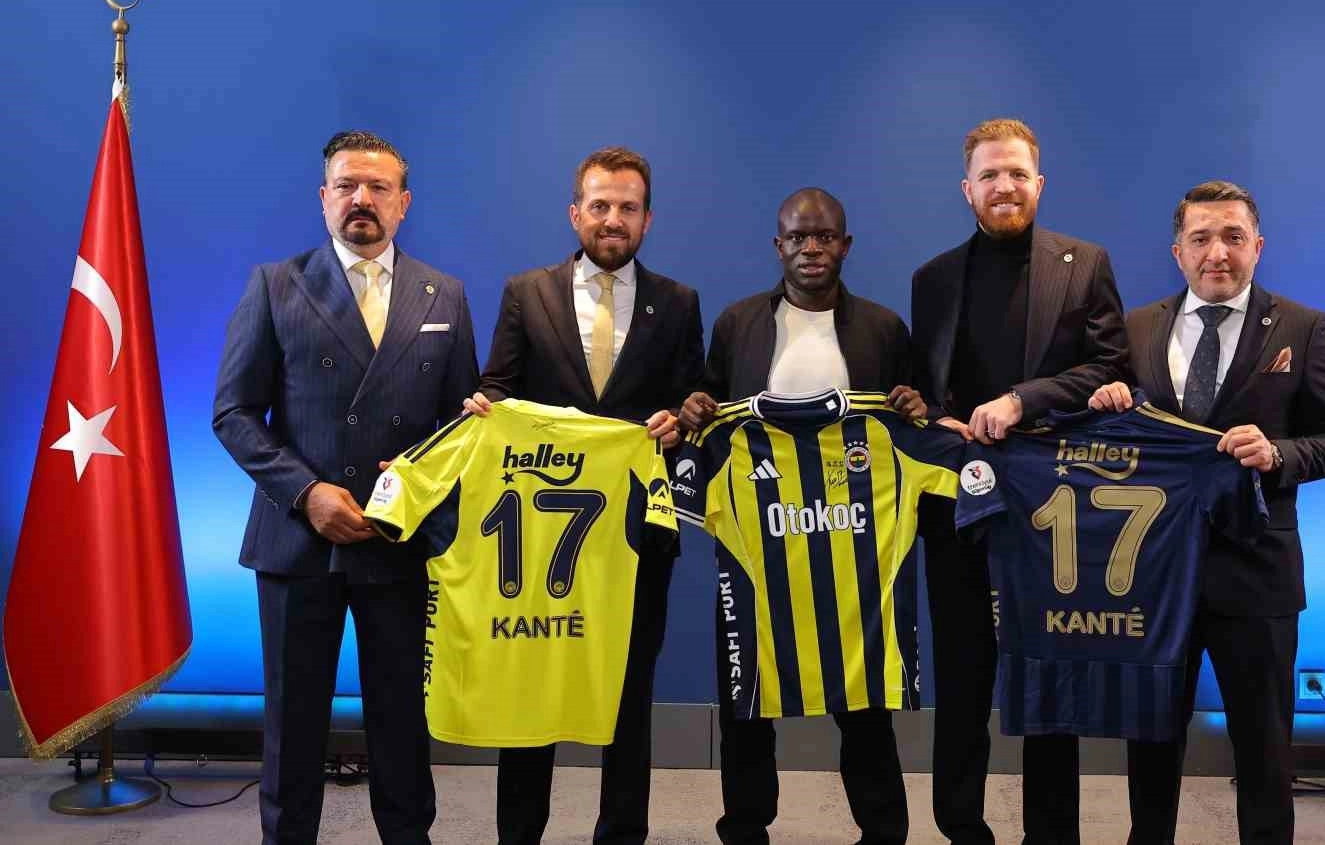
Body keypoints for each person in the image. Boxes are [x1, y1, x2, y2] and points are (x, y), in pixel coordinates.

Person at [214, 131, 479, 845]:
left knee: (402, 717)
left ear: (404, 203)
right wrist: (308, 493)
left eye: (378, 187)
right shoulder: (276, 284)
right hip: (298, 541)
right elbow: (233, 412)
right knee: (293, 718)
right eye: (347, 186)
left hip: (399, 541)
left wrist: (425, 490)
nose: (362, 198)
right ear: (324, 197)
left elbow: (460, 427)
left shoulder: (446, 294)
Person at [1089, 180, 1325, 845]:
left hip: (1257, 574)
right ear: (1177, 252)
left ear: (1257, 246)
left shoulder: (1302, 327)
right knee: (1151, 742)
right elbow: (1117, 442)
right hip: (1155, 576)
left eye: (1233, 237)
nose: (1218, 253)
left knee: (1264, 749)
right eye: (1201, 238)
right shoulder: (1136, 328)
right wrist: (1105, 406)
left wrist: (1279, 453)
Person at [465, 146, 704, 845]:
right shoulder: (526, 292)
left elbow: (692, 398)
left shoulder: (679, 302)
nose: (613, 219)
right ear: (576, 213)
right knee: (532, 688)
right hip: (542, 538)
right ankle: (519, 834)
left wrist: (680, 420)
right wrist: (486, 410)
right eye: (600, 205)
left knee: (628, 691)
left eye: (628, 207)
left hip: (635, 531)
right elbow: (499, 386)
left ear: (648, 219)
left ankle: (622, 832)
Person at [677, 187, 926, 845]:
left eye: (824, 237)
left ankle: (884, 831)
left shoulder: (883, 328)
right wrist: (696, 405)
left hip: (853, 549)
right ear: (778, 245)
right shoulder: (737, 324)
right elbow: (708, 406)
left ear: (845, 245)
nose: (811, 249)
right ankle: (745, 827)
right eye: (798, 237)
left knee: (863, 701)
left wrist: (914, 405)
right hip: (761, 546)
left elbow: (912, 426)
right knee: (747, 699)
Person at [909, 118, 1129, 844]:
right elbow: (923, 391)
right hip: (958, 505)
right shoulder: (933, 279)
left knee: (1049, 675)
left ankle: (1051, 834)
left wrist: (1020, 400)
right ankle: (960, 827)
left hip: (1052, 506)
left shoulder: (1085, 263)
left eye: (1016, 173)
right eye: (990, 175)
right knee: (962, 675)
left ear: (1040, 182)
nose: (1004, 185)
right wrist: (935, 418)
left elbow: (1109, 367)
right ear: (967, 189)